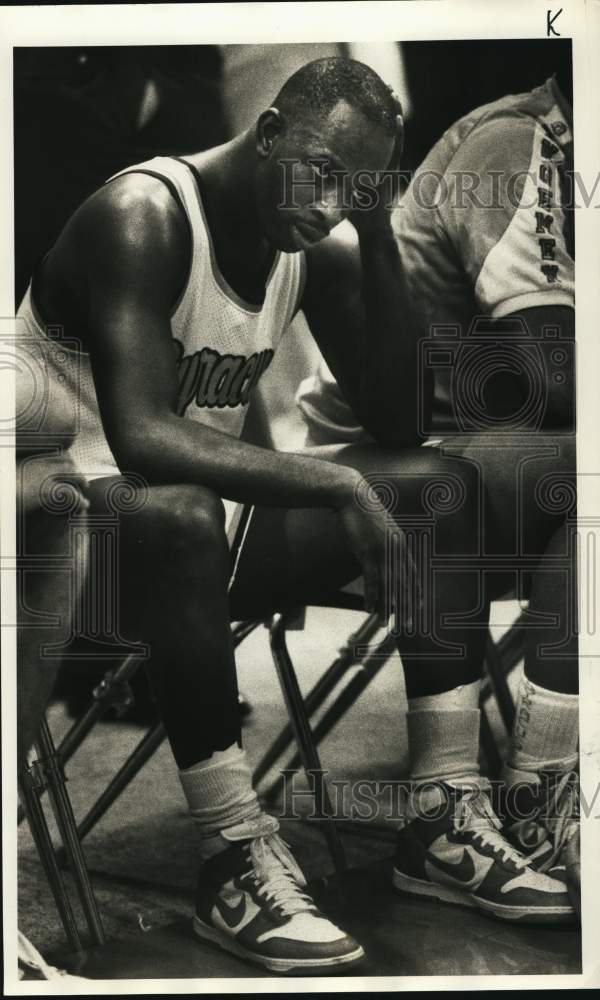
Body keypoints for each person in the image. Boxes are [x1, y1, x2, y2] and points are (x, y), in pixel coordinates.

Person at [15, 57, 572, 977]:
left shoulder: (315, 242)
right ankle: (233, 853)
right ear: (268, 129)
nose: (326, 203)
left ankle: (440, 815)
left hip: (188, 527)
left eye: (353, 188)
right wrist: (338, 485)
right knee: (192, 510)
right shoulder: (145, 215)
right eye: (321, 170)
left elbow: (401, 422)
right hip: (60, 528)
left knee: (437, 485)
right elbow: (144, 437)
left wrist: (380, 233)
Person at [296, 69, 580, 917]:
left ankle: (542, 782)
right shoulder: (520, 146)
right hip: (387, 455)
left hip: (499, 449)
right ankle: (542, 795)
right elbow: (549, 372)